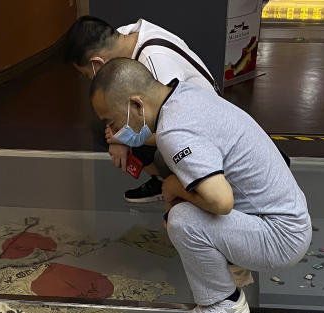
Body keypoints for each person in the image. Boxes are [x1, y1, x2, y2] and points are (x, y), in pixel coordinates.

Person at [89, 59, 312, 313]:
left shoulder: (174, 132)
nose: (113, 131)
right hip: (290, 214)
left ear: (136, 105)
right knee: (187, 202)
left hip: (282, 237)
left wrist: (173, 186)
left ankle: (224, 302)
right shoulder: (184, 95)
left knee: (181, 219)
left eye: (112, 122)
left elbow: (221, 201)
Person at [63, 15, 218, 203]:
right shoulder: (124, 36)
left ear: (97, 64)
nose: (91, 80)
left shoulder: (155, 60)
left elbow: (175, 127)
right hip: (179, 115)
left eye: (88, 75)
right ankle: (161, 180)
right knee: (106, 127)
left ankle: (180, 187)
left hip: (204, 127)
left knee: (125, 133)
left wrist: (124, 140)